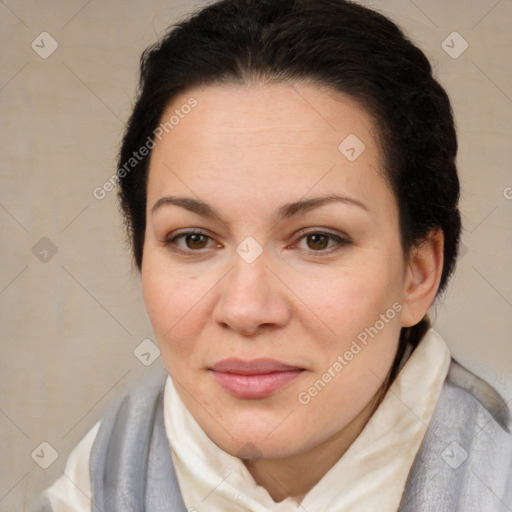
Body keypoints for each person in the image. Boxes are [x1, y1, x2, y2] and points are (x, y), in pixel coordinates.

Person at [31, 0, 512, 510]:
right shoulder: (96, 481)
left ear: (417, 273)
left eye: (318, 239)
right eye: (194, 239)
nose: (245, 309)